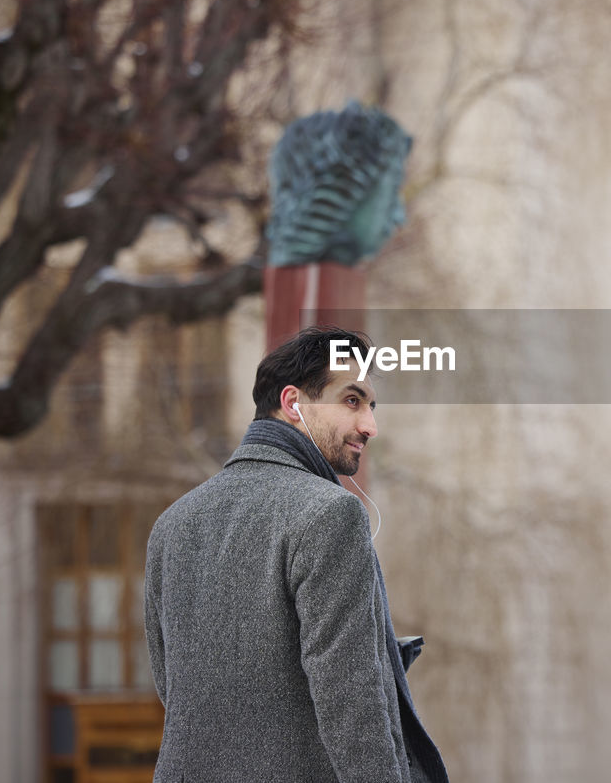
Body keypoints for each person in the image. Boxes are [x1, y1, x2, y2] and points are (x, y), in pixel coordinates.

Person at [144, 326, 448, 782]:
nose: (370, 426)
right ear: (293, 404)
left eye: (371, 406)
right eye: (352, 400)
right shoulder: (331, 513)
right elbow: (351, 704)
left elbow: (175, 687)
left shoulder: (171, 523)